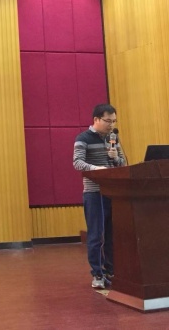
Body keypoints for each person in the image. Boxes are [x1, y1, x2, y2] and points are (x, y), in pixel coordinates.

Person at [73, 104, 126, 289]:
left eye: (114, 121)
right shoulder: (83, 138)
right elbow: (77, 163)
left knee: (112, 234)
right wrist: (97, 169)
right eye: (107, 121)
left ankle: (111, 271)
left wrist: (115, 157)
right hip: (94, 193)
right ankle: (97, 273)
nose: (111, 125)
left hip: (113, 193)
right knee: (96, 236)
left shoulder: (113, 138)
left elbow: (123, 164)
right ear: (96, 119)